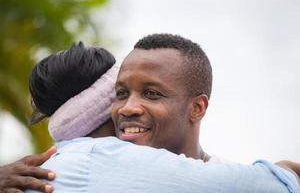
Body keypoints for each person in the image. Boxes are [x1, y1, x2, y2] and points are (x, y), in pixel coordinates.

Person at [1, 36, 299, 193]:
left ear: (198, 107)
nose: (129, 107)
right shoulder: (102, 157)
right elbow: (272, 185)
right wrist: (286, 169)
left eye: (151, 93)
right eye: (121, 93)